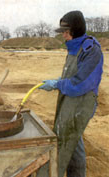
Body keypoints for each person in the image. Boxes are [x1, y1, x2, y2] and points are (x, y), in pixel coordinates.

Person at [39, 11, 103, 177]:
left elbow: (82, 83)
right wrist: (57, 82)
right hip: (70, 98)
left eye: (67, 32)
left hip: (82, 103)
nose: (64, 36)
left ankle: (54, 173)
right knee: (74, 141)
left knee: (65, 141)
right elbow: (72, 76)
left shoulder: (91, 50)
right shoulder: (74, 47)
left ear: (77, 30)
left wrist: (59, 84)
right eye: (63, 32)